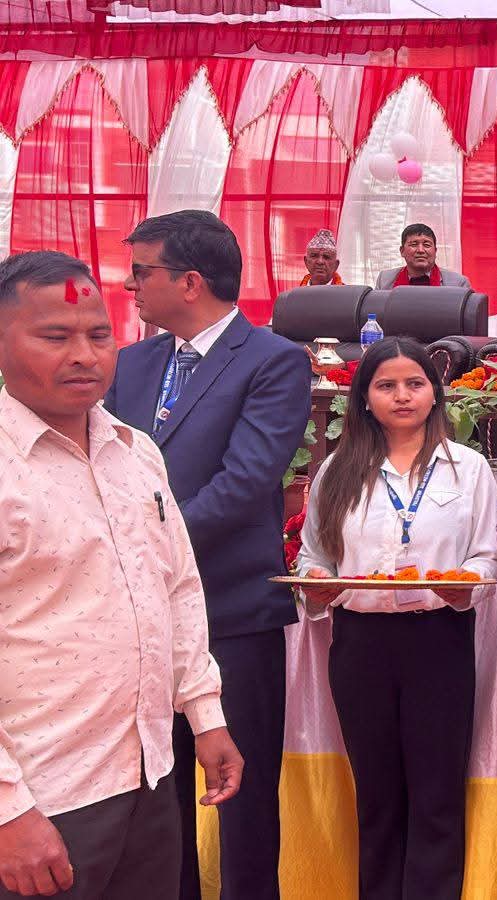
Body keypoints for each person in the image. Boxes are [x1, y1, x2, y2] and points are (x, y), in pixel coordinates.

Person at [0, 251, 243, 900]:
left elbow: (177, 588)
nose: (84, 355)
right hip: (39, 796)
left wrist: (205, 715)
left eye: (99, 335)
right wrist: (7, 810)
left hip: (147, 778)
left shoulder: (135, 454)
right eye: (55, 336)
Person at [102, 209, 310, 900]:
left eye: (142, 272)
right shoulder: (131, 363)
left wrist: (145, 545)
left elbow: (245, 481)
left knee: (241, 797)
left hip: (231, 613)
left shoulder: (272, 360)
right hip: (139, 620)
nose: (130, 285)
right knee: (155, 800)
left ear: (190, 281)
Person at [295, 336, 497, 900]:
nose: (402, 396)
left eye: (415, 383)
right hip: (360, 643)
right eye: (386, 386)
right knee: (377, 794)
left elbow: (488, 556)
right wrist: (316, 584)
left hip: (439, 639)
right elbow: (314, 556)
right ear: (364, 398)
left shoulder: (467, 469)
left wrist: (463, 585)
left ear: (435, 392)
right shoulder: (338, 469)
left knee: (437, 795)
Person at [375, 223, 472, 289]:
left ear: (435, 251)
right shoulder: (384, 280)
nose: (420, 250)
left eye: (427, 245)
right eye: (414, 244)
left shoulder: (458, 284)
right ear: (402, 251)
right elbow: (376, 311)